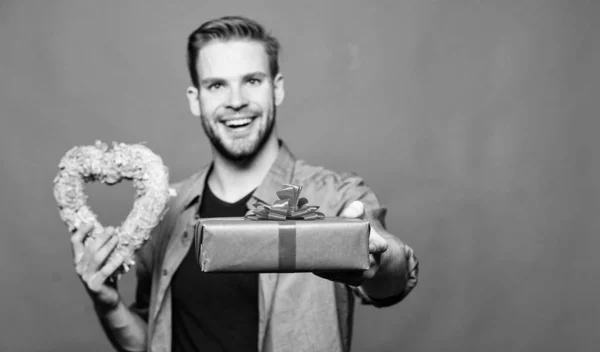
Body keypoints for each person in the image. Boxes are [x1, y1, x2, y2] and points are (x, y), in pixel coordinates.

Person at [70, 15, 419, 352]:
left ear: (276, 88)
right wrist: (108, 303)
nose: (235, 101)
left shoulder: (334, 196)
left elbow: (393, 279)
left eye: (251, 80)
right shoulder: (164, 212)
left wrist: (375, 260)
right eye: (217, 85)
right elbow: (154, 339)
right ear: (196, 98)